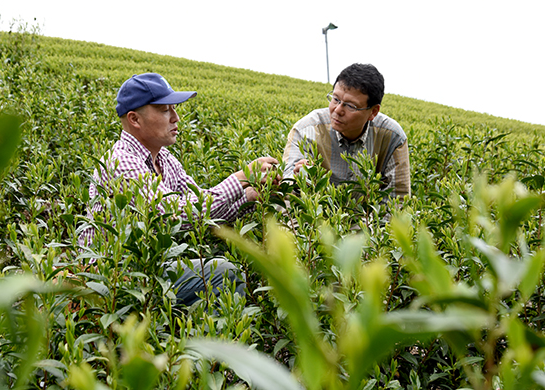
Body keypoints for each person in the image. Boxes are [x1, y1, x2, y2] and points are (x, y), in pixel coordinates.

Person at [80, 73, 279, 305]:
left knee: (218, 271)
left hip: (147, 269)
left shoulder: (165, 159)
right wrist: (242, 177)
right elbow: (172, 215)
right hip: (112, 277)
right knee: (224, 272)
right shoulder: (121, 161)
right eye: (165, 110)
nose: (176, 118)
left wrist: (250, 195)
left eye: (174, 109)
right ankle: (215, 340)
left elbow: (202, 212)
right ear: (134, 119)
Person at [282, 63, 410, 198]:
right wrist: (299, 181)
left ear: (373, 112)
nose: (337, 110)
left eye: (350, 106)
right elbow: (288, 192)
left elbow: (398, 199)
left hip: (368, 218)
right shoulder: (306, 130)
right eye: (335, 99)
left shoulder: (392, 138)